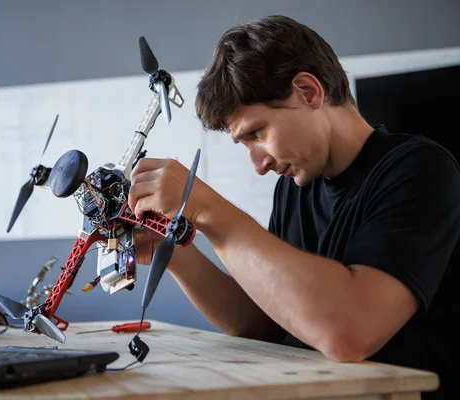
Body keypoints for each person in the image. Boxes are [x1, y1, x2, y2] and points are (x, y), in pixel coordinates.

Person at [127, 15, 460, 400]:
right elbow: (265, 324)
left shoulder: (419, 169)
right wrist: (173, 254)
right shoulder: (297, 186)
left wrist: (209, 209)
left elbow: (350, 334)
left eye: (256, 133)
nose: (259, 163)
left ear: (308, 91)